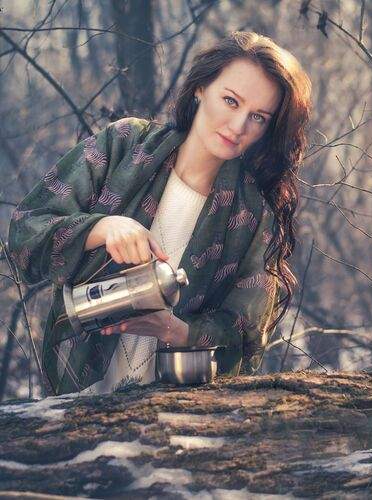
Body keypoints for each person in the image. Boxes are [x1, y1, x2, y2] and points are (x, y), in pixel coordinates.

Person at [8, 31, 312, 396]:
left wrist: (178, 331)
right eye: (230, 101)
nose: (238, 126)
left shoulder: (252, 216)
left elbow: (247, 338)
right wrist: (101, 227)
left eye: (258, 117)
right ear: (200, 88)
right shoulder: (124, 146)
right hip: (75, 397)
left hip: (175, 410)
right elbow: (26, 233)